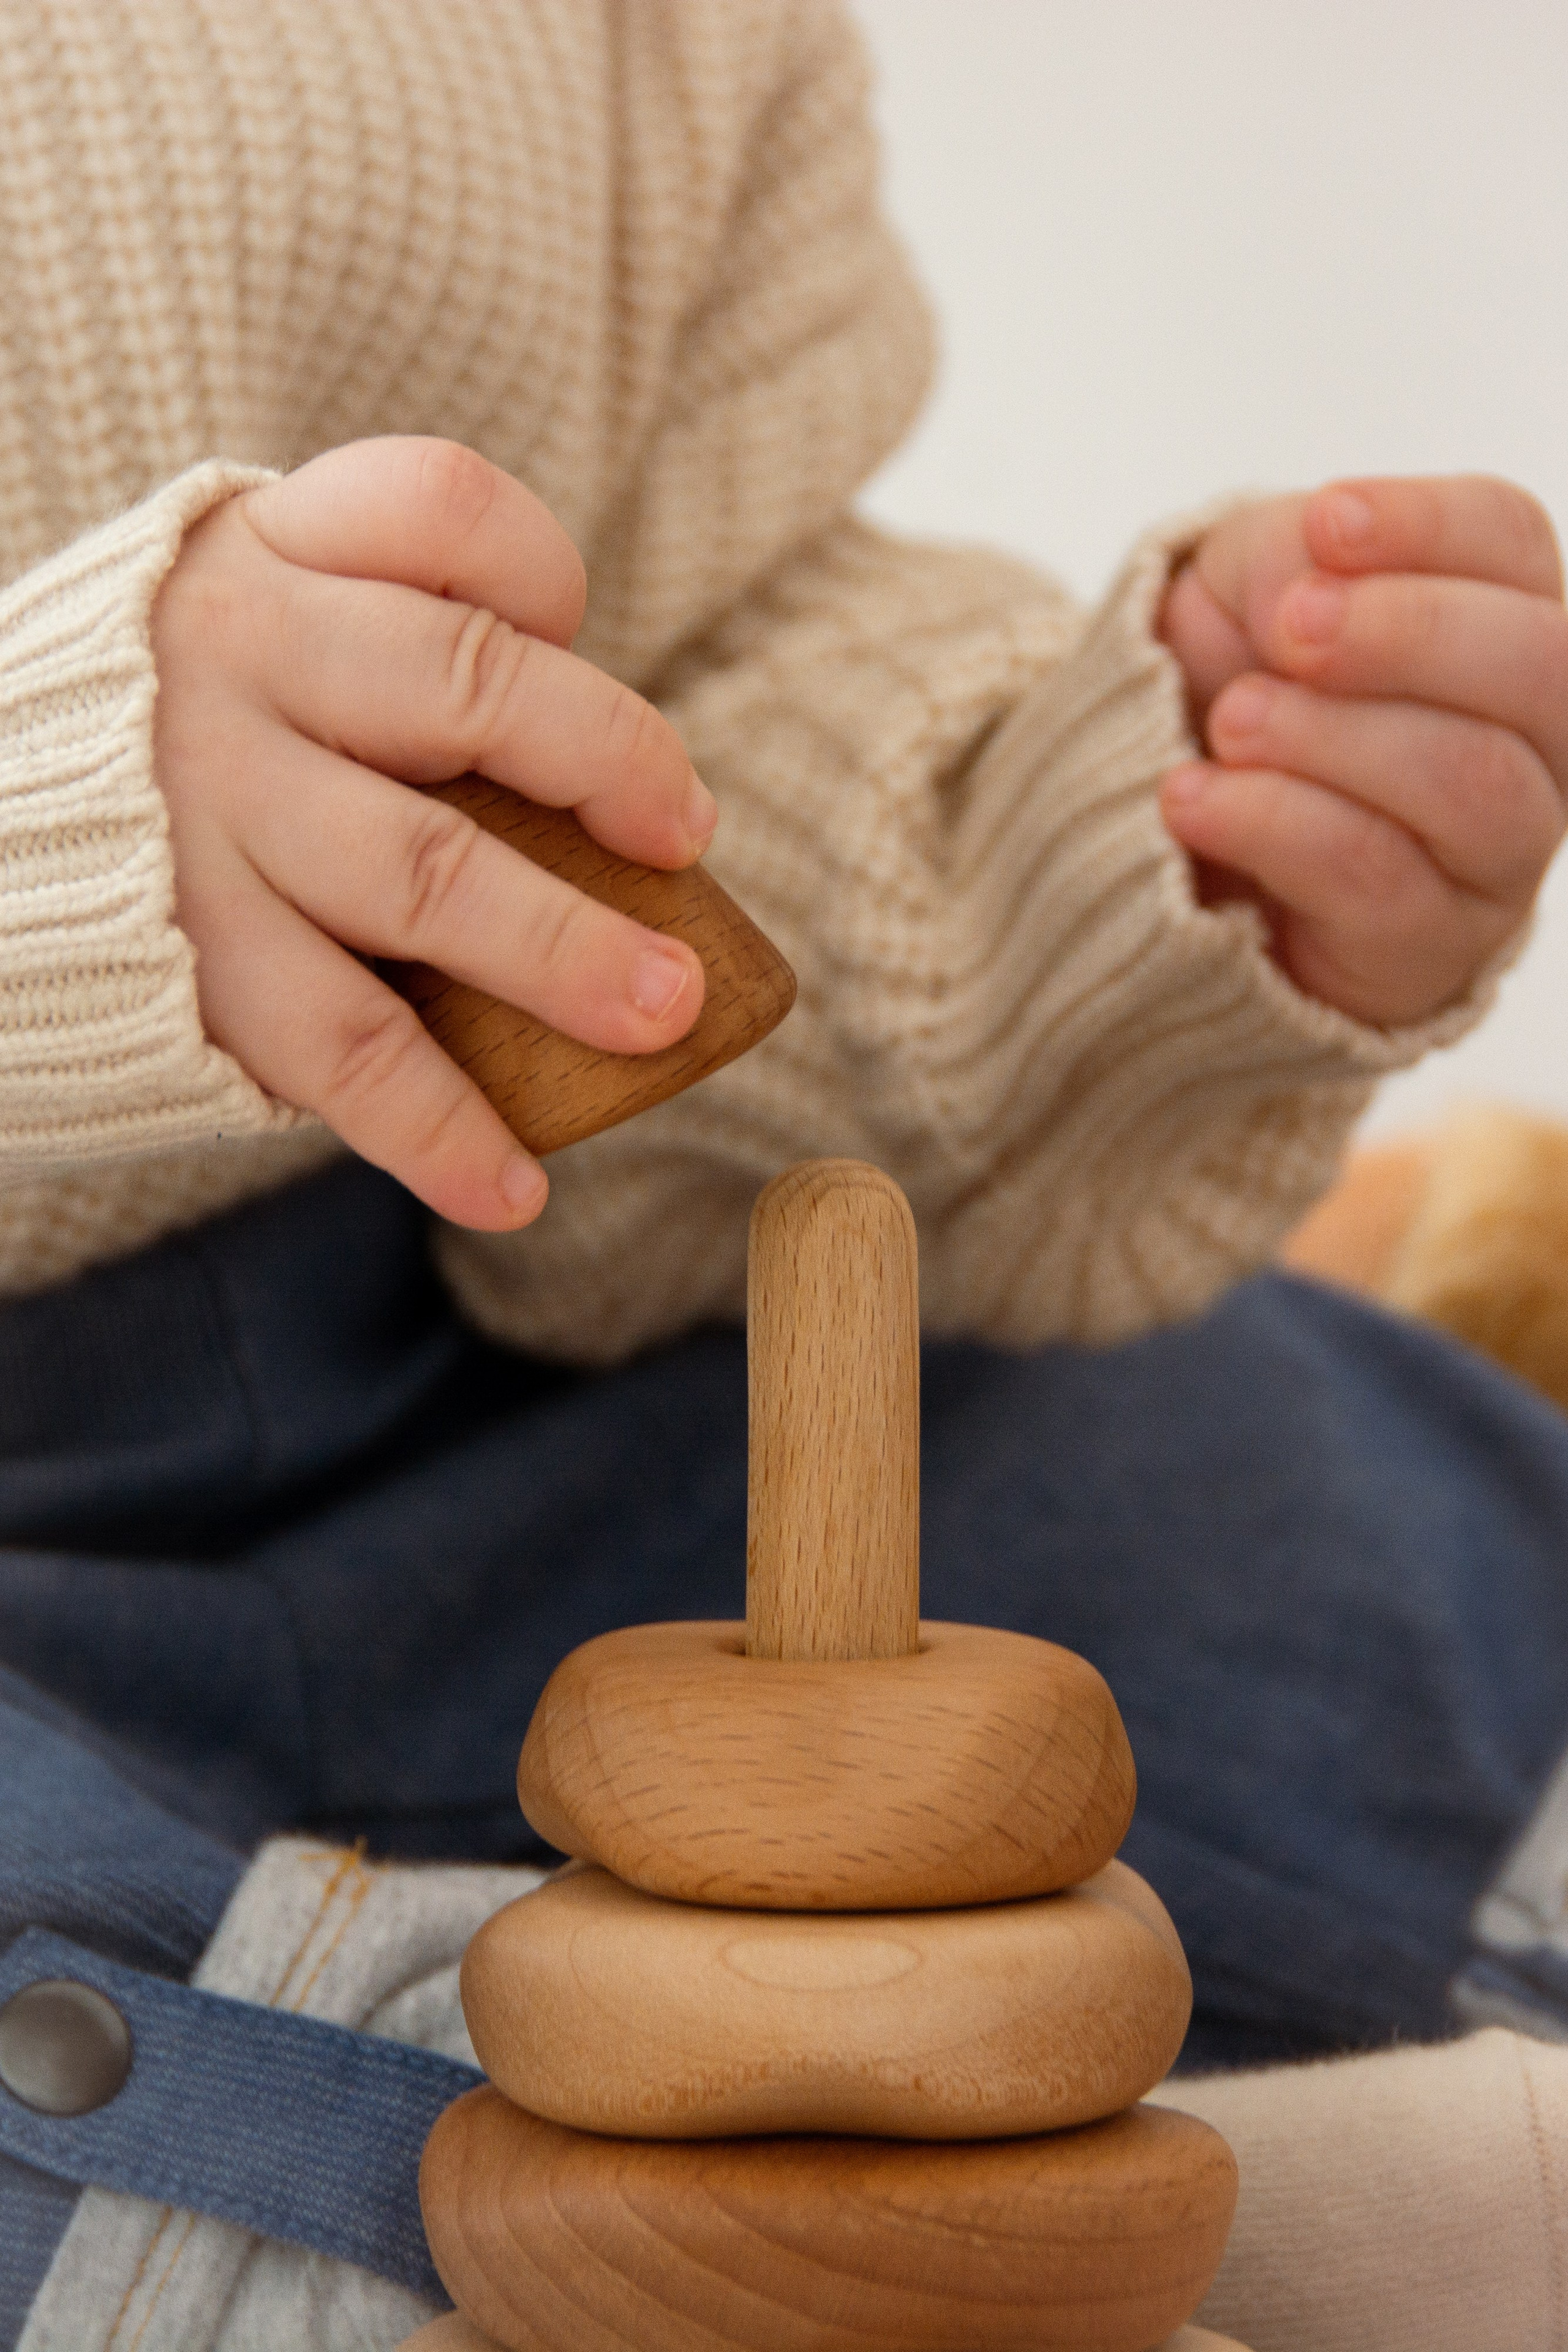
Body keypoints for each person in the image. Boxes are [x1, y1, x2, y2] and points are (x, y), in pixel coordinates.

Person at [2, 2, 1568, 2346]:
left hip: (445, 1316)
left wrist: (1064, 889)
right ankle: (411, 2213)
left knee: (1328, 1479)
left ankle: (977, 2161)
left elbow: (692, 722)